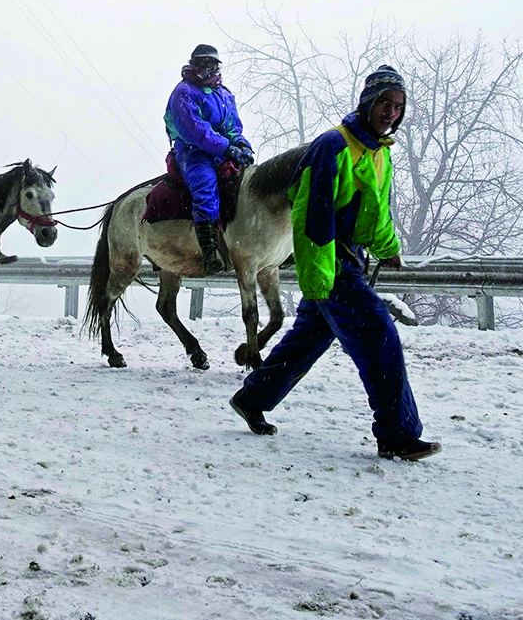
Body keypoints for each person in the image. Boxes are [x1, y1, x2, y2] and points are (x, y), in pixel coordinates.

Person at [230, 65, 440, 461]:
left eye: (398, 105)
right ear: (367, 102)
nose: (391, 112)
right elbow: (312, 216)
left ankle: (251, 397)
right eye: (384, 103)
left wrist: (387, 248)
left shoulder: (379, 153)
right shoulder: (333, 145)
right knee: (380, 335)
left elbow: (376, 214)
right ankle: (397, 435)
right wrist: (319, 277)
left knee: (307, 340)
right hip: (330, 263)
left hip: (350, 260)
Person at [163, 43, 253, 275]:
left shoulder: (223, 94)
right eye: (204, 64)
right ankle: (210, 252)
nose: (209, 69)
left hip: (222, 149)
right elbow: (195, 130)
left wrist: (241, 144)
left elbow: (232, 126)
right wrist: (226, 148)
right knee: (205, 186)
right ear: (194, 65)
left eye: (212, 64)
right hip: (193, 151)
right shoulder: (184, 92)